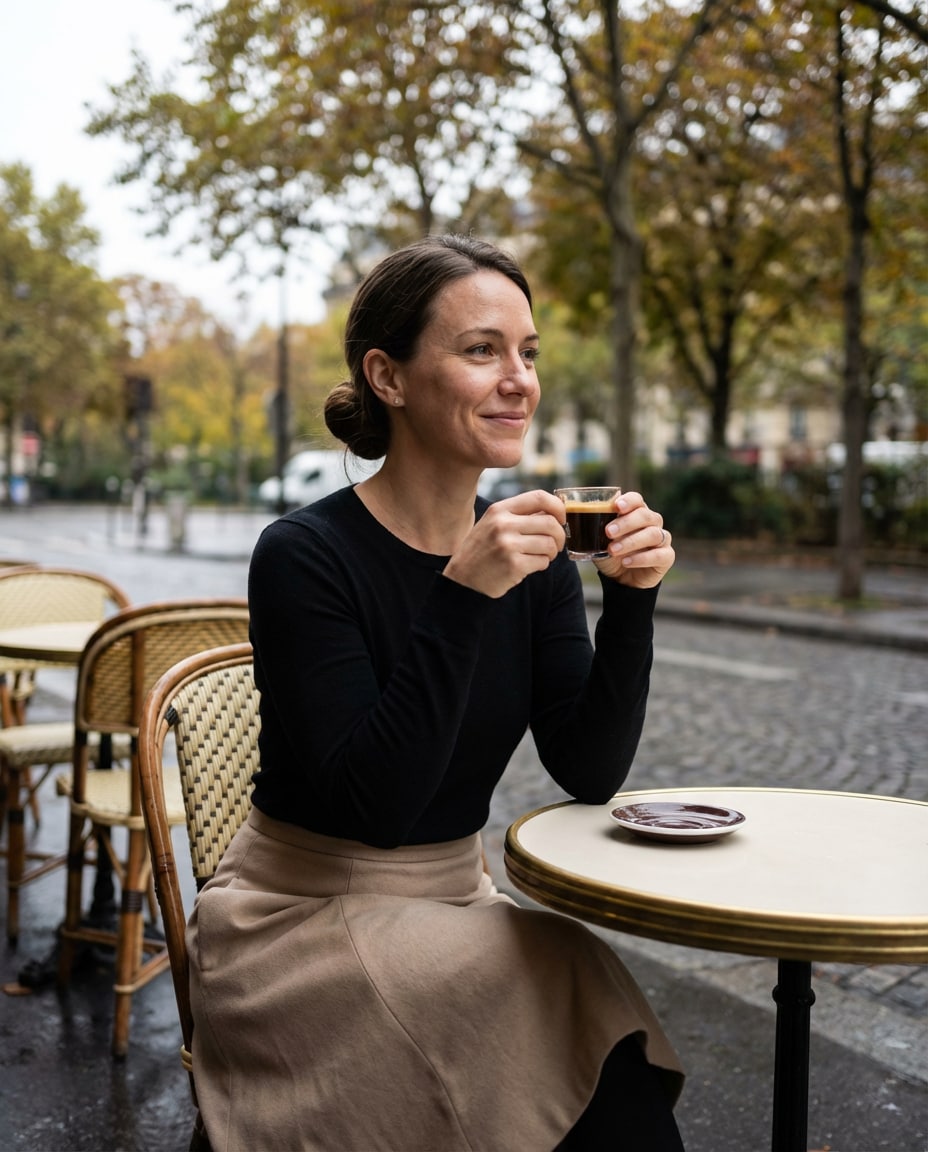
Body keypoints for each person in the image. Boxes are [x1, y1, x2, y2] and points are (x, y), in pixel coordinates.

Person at [187, 234, 685, 1151]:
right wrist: (461, 596)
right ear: (388, 375)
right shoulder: (304, 555)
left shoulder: (529, 556)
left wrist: (633, 604)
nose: (519, 380)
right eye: (481, 350)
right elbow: (374, 804)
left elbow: (587, 767)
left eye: (528, 354)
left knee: (590, 1033)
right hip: (299, 921)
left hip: (456, 902)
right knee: (576, 1011)